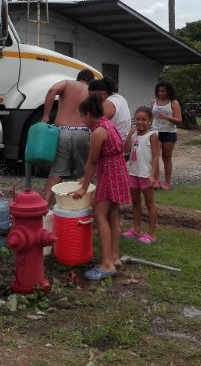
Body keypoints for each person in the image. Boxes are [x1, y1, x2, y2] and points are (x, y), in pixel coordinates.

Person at [71, 93, 130, 280]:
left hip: (110, 175)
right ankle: (114, 257)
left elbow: (92, 162)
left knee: (99, 215)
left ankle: (106, 265)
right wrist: (85, 179)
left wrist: (83, 187)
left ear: (89, 114)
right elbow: (104, 158)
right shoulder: (108, 124)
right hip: (117, 172)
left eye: (82, 116)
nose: (81, 120)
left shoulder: (98, 132)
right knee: (112, 215)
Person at [41, 69, 95, 205]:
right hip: (84, 133)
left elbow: (52, 90)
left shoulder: (67, 84)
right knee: (85, 175)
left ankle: (44, 209)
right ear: (91, 81)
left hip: (63, 132)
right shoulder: (92, 91)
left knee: (56, 173)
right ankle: (84, 209)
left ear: (78, 79)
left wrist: (46, 117)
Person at [123, 106, 160, 244]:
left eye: (144, 119)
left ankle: (151, 233)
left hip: (145, 175)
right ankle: (136, 229)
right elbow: (126, 149)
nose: (140, 122)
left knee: (150, 204)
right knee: (136, 202)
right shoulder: (134, 135)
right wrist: (129, 135)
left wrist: (153, 175)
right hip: (133, 173)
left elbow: (156, 156)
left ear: (150, 120)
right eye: (138, 119)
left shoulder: (152, 136)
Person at [151, 80, 181, 190]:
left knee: (167, 157)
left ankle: (167, 182)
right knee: (155, 156)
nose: (161, 93)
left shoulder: (174, 103)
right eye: (159, 91)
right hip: (155, 131)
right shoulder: (154, 102)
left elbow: (178, 120)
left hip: (169, 132)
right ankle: (156, 180)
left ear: (168, 91)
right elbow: (151, 117)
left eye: (163, 91)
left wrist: (167, 117)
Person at [88, 77, 132, 142]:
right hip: (120, 142)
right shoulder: (119, 98)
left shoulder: (109, 103)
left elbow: (94, 123)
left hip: (114, 144)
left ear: (104, 94)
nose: (91, 99)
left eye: (92, 96)